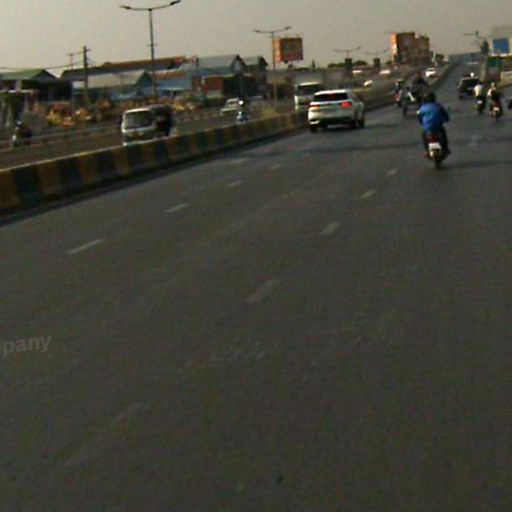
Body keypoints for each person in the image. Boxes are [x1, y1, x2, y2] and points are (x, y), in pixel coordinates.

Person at [417, 92, 451, 156]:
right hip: (438, 126)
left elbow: (419, 117)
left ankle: (427, 150)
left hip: (427, 128)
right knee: (443, 134)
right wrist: (446, 119)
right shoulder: (439, 106)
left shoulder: (422, 107)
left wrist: (422, 123)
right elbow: (445, 116)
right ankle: (445, 148)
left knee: (424, 136)